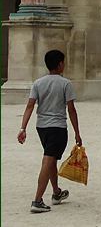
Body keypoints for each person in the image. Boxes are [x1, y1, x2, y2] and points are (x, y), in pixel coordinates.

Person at [17, 49, 82, 213]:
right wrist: (77, 132)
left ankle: (56, 192)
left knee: (50, 157)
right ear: (60, 64)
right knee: (48, 160)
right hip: (58, 127)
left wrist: (23, 128)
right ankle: (37, 200)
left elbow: (30, 106)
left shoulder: (38, 83)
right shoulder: (65, 83)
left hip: (42, 127)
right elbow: (71, 110)